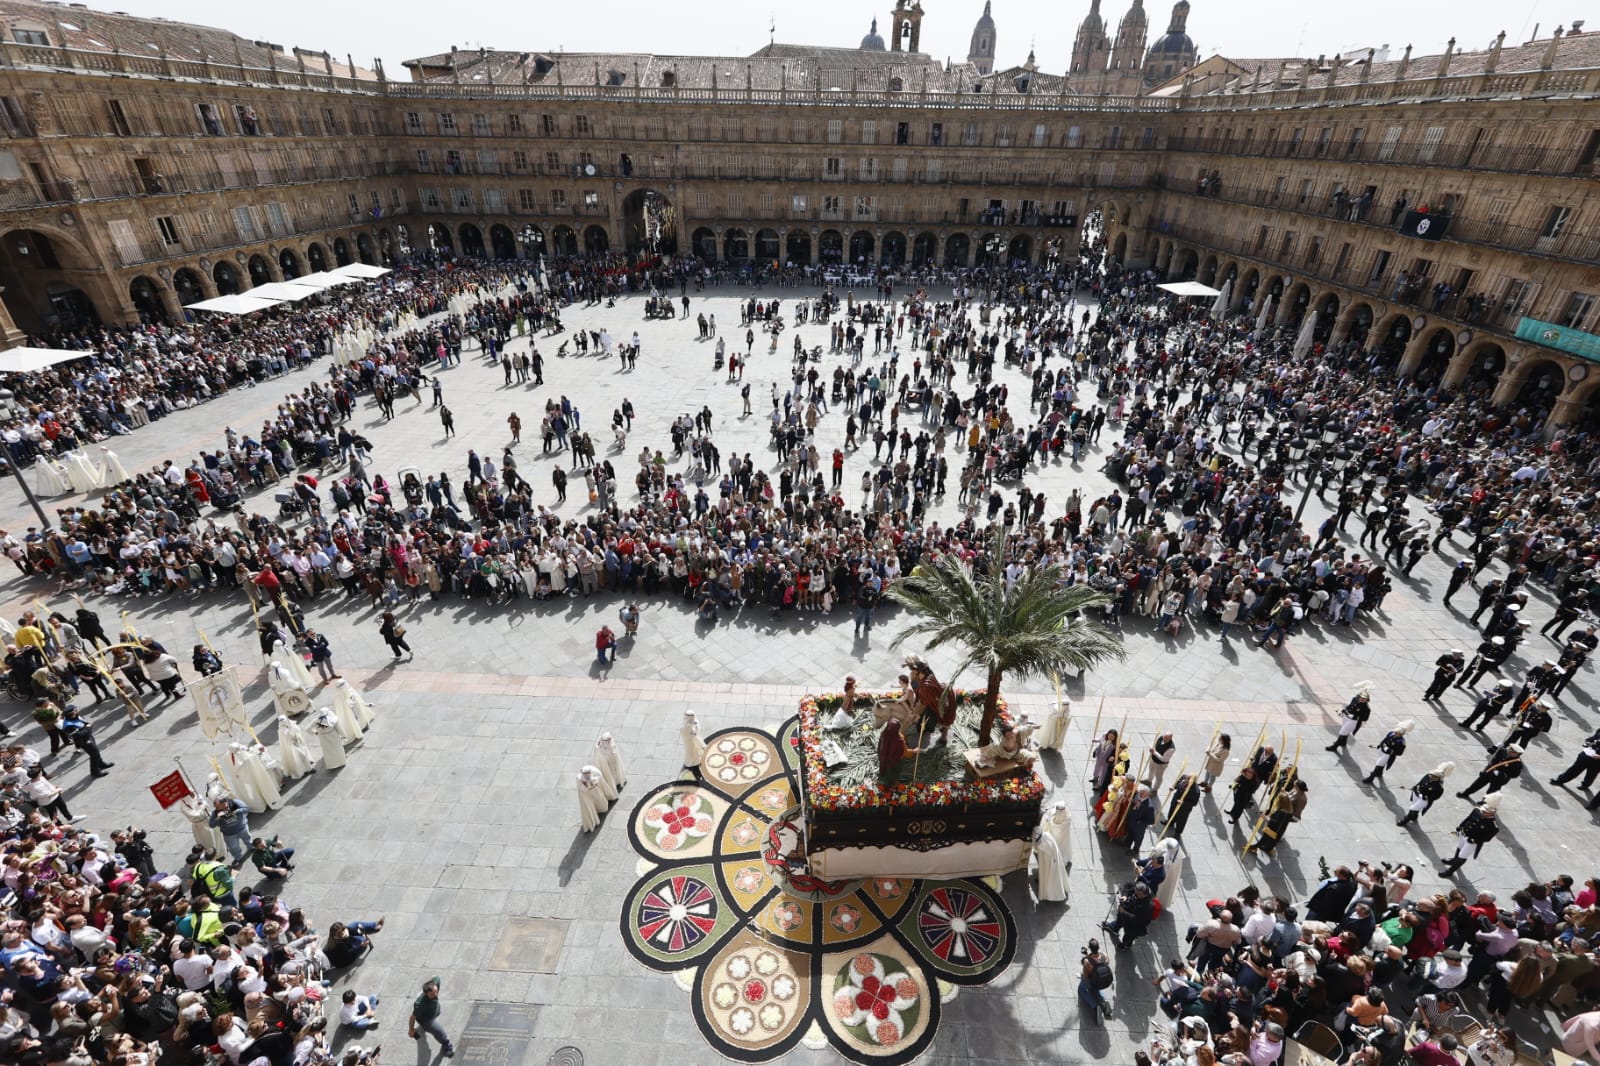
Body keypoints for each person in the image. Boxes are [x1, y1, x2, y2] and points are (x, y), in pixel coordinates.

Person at [1439, 792, 1503, 877]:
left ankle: (1450, 871)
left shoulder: (1493, 825)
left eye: (1485, 812)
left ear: (1492, 813)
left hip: (1472, 841)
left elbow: (1487, 837)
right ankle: (1454, 860)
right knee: (1459, 847)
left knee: (1462, 855)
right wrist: (1461, 826)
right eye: (1483, 810)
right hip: (1464, 833)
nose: (1483, 812)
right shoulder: (1477, 811)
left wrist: (1475, 840)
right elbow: (1468, 819)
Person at [1101, 880, 1155, 949]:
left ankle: (1125, 945)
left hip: (1134, 925)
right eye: (1135, 891)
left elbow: (1138, 920)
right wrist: (1125, 896)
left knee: (1128, 936)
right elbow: (1128, 885)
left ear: (1144, 894)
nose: (1135, 894)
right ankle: (1114, 928)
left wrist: (1124, 912)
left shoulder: (1148, 906)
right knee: (1119, 920)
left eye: (1138, 895)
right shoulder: (1139, 887)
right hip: (1125, 910)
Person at [409, 977, 454, 1057]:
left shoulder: (435, 983)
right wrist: (411, 1029)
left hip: (434, 1010)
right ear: (426, 994)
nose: (436, 994)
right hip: (426, 1019)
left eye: (436, 991)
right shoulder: (420, 1005)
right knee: (438, 1031)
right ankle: (446, 1044)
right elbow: (412, 1017)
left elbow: (436, 978)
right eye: (432, 994)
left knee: (438, 1011)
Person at [1398, 762, 1454, 826]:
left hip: (1424, 799)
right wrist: (1415, 787)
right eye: (1432, 775)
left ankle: (1405, 820)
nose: (1432, 777)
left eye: (1435, 776)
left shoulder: (1439, 787)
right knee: (1415, 807)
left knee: (1412, 808)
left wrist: (1426, 796)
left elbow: (1436, 797)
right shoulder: (1428, 776)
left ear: (1439, 778)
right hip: (1416, 793)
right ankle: (1414, 816)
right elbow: (1421, 782)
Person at [1362, 719, 1413, 786]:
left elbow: (1399, 753)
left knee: (1378, 764)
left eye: (1397, 733)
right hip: (1382, 750)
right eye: (1395, 732)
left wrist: (1389, 750)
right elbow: (1385, 739)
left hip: (1388, 755)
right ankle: (1379, 772)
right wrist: (1380, 745)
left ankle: (1371, 777)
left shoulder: (1401, 742)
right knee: (1381, 764)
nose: (1395, 733)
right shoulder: (1391, 733)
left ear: (1401, 734)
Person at [208, 796, 253, 866]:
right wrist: (218, 818)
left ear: (224, 803)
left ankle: (251, 847)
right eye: (215, 807)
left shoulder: (235, 803)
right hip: (229, 834)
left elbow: (246, 808)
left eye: (218, 807)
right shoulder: (216, 812)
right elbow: (211, 825)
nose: (216, 809)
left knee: (248, 838)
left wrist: (235, 812)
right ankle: (238, 858)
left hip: (242, 828)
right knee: (233, 847)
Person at [1327, 686, 1372, 753]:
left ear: (1367, 700)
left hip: (1353, 721)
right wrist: (1344, 710)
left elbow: (1365, 718)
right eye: (1361, 698)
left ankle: (1335, 746)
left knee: (1342, 732)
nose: (1362, 699)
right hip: (1346, 717)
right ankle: (1343, 742)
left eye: (1364, 699)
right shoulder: (1354, 699)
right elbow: (1350, 705)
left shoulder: (1367, 708)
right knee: (1345, 730)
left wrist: (1356, 716)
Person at [1079, 938, 1114, 1022]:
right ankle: (1105, 1002)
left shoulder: (1087, 961)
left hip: (1092, 981)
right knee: (1096, 989)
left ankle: (1095, 1006)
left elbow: (1086, 976)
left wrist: (1086, 957)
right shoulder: (1104, 955)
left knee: (1081, 989)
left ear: (1089, 947)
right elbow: (1106, 963)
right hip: (1103, 981)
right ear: (1098, 947)